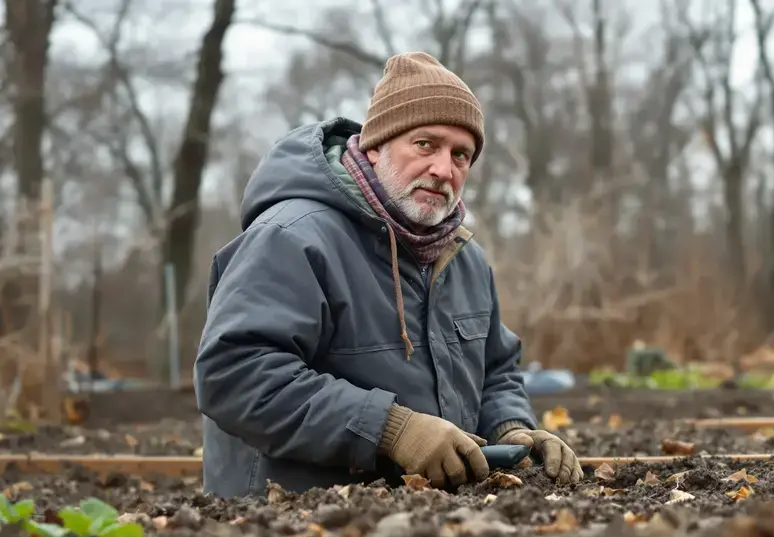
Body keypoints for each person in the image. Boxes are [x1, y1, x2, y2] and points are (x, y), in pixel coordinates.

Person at [194, 52, 583, 498]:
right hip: (289, 518)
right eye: (425, 144)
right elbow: (234, 373)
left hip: (426, 521)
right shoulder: (291, 238)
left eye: (461, 155)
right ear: (375, 146)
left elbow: (496, 370)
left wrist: (510, 429)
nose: (443, 170)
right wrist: (391, 430)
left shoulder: (464, 259)